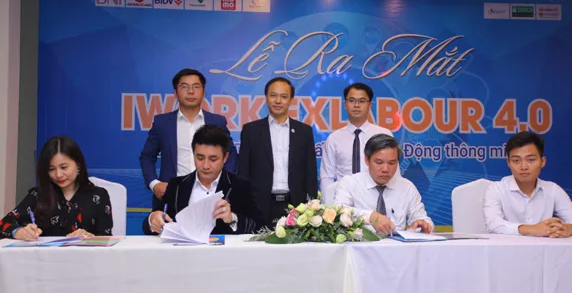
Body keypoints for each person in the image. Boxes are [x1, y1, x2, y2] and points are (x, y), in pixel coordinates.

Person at [139, 68, 238, 211]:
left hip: (211, 196)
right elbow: (147, 157)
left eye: (196, 87)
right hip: (173, 195)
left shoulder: (217, 122)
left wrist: (225, 185)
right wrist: (154, 184)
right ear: (175, 92)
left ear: (203, 92)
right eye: (184, 87)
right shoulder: (162, 123)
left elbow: (231, 154)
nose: (191, 91)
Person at [143, 125, 263, 235]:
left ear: (225, 158)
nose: (205, 165)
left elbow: (259, 228)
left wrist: (232, 219)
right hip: (184, 251)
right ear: (193, 154)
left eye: (213, 159)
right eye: (200, 158)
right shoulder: (177, 186)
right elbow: (152, 223)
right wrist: (152, 219)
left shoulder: (240, 186)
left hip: (224, 251)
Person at [238, 77, 318, 227]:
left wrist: (311, 207)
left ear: (291, 100)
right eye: (273, 95)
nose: (278, 101)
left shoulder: (304, 131)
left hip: (296, 207)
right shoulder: (251, 130)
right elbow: (243, 172)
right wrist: (244, 205)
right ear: (266, 97)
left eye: (284, 96)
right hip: (259, 206)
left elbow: (310, 174)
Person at [0, 136, 113, 240]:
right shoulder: (37, 195)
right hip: (45, 256)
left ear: (78, 164)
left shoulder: (98, 196)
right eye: (51, 169)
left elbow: (106, 237)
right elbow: (4, 224)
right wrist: (18, 232)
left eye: (64, 167)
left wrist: (91, 238)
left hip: (84, 255)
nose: (58, 175)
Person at [483, 131, 572, 237]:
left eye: (531, 160)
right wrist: (533, 229)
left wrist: (567, 229)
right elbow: (494, 225)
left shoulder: (553, 190)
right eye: (516, 161)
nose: (523, 167)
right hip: (507, 247)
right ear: (508, 163)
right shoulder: (496, 189)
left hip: (545, 248)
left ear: (543, 161)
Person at [334, 134, 433, 235]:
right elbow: (338, 211)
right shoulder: (350, 183)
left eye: (391, 163)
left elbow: (423, 219)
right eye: (379, 162)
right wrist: (370, 216)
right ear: (367, 160)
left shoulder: (407, 187)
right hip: (362, 243)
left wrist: (423, 224)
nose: (385, 169)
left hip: (397, 244)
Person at [320, 83, 395, 194]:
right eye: (352, 100)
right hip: (343, 197)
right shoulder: (334, 139)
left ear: (369, 105)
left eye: (362, 101)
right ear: (345, 104)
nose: (356, 105)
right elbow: (327, 177)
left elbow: (394, 173)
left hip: (376, 196)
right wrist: (328, 202)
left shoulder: (383, 134)